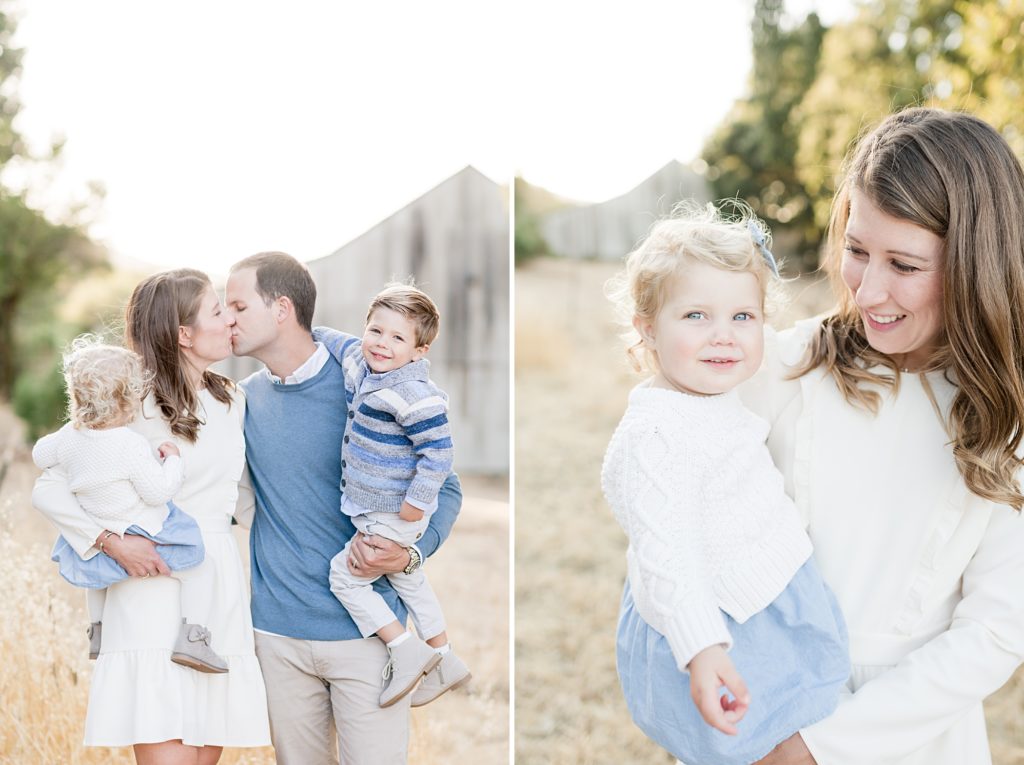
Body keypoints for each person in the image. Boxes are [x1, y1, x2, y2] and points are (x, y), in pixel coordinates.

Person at [739, 107, 1024, 764]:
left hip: (916, 733)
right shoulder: (786, 366)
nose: (869, 289)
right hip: (768, 708)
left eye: (904, 263)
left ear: (977, 263)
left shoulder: (1006, 416)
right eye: (857, 250)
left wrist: (818, 748)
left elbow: (996, 629)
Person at [601, 202, 849, 764]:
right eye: (695, 317)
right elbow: (668, 552)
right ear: (647, 329)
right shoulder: (656, 433)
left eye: (744, 317)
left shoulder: (709, 392)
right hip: (718, 625)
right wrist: (703, 650)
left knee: (806, 740)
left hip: (770, 600)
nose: (725, 337)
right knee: (757, 748)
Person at [225, 251, 463, 765]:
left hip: (367, 637)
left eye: (239, 306)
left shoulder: (369, 384)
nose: (228, 319)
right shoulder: (241, 403)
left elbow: (445, 488)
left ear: (281, 309)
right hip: (278, 634)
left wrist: (410, 556)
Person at [32, 269, 270, 765]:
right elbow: (50, 486)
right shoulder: (129, 406)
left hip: (217, 586)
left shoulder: (232, 399)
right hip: (151, 585)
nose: (230, 318)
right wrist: (111, 542)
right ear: (184, 334)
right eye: (217, 310)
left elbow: (239, 498)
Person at [32, 336, 228, 674]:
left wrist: (71, 438)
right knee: (202, 563)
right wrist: (173, 462)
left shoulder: (68, 437)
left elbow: (39, 455)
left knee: (96, 577)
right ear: (128, 399)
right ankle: (193, 637)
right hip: (140, 526)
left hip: (100, 527)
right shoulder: (129, 444)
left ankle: (98, 630)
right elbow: (157, 493)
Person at [327, 283, 471, 708]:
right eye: (376, 331)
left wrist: (417, 502)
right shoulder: (363, 362)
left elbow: (439, 453)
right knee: (409, 579)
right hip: (379, 506)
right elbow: (343, 343)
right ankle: (444, 656)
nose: (382, 344)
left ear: (419, 350)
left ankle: (403, 648)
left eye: (398, 338)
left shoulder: (413, 393)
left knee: (345, 577)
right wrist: (315, 332)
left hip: (393, 509)